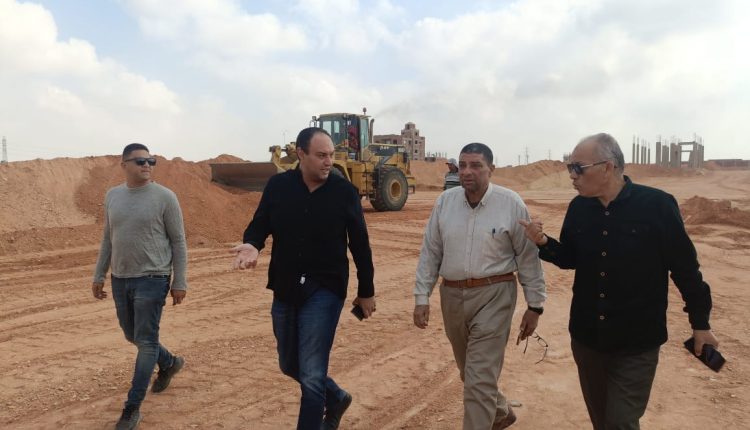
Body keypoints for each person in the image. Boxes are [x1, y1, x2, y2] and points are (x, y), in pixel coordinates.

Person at [519, 133, 718, 430]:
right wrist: (543, 242)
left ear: (608, 167)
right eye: (569, 167)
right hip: (588, 338)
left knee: (621, 422)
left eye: (578, 168)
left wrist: (700, 324)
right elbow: (570, 258)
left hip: (637, 342)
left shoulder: (658, 206)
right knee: (602, 421)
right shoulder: (578, 208)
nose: (571, 175)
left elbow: (685, 269)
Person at [232, 127, 376, 430]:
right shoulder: (278, 186)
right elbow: (260, 223)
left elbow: (360, 245)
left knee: (311, 374)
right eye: (321, 155)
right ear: (301, 154)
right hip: (285, 285)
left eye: (331, 155)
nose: (328, 162)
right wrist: (252, 244)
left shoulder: (344, 193)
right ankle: (336, 397)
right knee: (289, 364)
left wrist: (366, 291)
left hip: (326, 288)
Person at [414, 143, 547, 430]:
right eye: (463, 165)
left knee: (479, 378)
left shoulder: (510, 203)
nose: (467, 171)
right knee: (470, 372)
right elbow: (431, 252)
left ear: (491, 169)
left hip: (495, 295)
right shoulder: (445, 202)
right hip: (451, 296)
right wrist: (421, 296)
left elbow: (528, 258)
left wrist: (535, 305)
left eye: (476, 165)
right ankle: (499, 411)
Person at [92, 143, 188, 430]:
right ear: (124, 165)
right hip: (120, 278)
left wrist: (179, 281)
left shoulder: (165, 197)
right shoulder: (113, 196)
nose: (147, 165)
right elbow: (108, 238)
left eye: (151, 161)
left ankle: (131, 408)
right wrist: (99, 275)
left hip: (153, 278)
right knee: (131, 335)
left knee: (145, 341)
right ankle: (169, 362)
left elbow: (178, 241)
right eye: (140, 161)